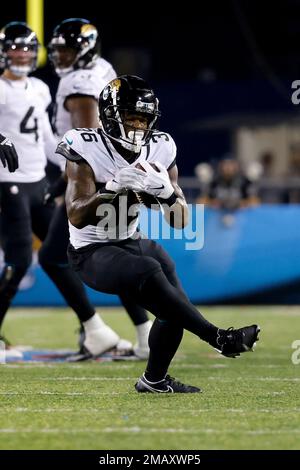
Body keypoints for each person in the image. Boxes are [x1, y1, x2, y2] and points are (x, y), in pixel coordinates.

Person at [58, 75, 260, 393]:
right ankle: (219, 337)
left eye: (143, 119)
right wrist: (112, 188)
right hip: (91, 249)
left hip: (131, 238)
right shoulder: (85, 144)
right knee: (150, 270)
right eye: (131, 118)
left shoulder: (160, 147)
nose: (138, 126)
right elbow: (77, 215)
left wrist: (167, 194)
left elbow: (180, 221)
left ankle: (154, 379)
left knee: (172, 299)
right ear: (110, 116)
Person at [0, 21, 130, 357]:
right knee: (18, 260)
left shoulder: (40, 89)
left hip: (37, 182)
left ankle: (93, 329)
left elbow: (47, 139)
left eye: (27, 48)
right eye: (15, 48)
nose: (21, 54)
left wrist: (72, 170)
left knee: (66, 254)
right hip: (7, 183)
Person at [45, 18, 152, 358]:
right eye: (57, 49)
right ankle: (143, 332)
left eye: (67, 49)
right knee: (119, 253)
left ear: (85, 49)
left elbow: (86, 142)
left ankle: (97, 330)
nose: (59, 56)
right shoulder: (101, 68)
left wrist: (66, 182)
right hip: (112, 180)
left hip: (96, 185)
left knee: (52, 257)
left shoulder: (79, 84)